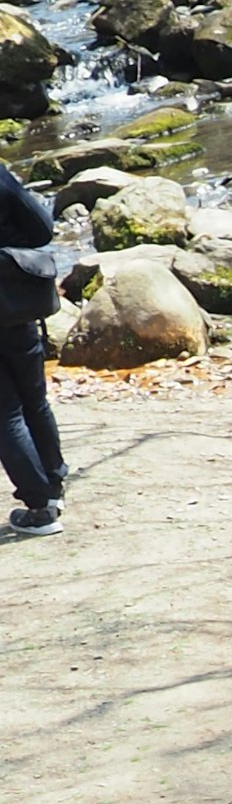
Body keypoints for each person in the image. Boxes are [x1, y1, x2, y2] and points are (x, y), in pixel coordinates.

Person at [0, 157, 65, 532]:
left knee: (5, 413)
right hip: (14, 301)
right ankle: (52, 487)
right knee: (34, 400)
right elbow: (42, 228)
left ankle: (40, 507)